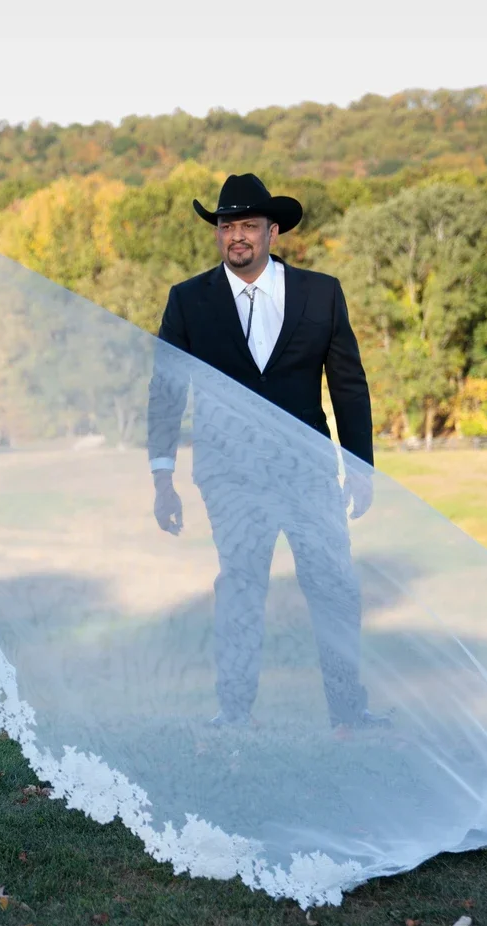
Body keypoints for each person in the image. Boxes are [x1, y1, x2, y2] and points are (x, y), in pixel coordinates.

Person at [146, 173, 384, 732]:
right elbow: (165, 389)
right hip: (229, 476)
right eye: (227, 226)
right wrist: (163, 475)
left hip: (307, 475)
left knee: (333, 587)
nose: (236, 236)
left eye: (248, 225)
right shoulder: (188, 301)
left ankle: (349, 712)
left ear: (272, 230)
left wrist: (361, 466)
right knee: (240, 588)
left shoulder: (321, 294)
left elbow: (348, 385)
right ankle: (233, 714)